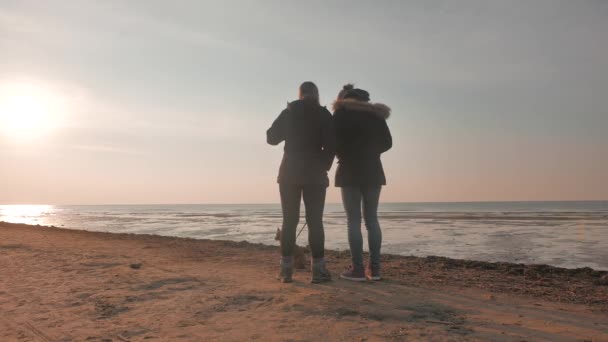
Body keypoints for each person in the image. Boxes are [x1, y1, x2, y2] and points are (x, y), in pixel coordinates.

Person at [267, 81, 335, 283]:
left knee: (289, 221)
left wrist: (287, 121)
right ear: (316, 94)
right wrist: (324, 165)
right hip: (315, 174)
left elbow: (271, 138)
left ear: (300, 95)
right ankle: (318, 270)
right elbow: (332, 145)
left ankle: (286, 271)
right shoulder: (324, 115)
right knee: (315, 222)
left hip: (289, 172)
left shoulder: (289, 112)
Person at [333, 84, 392, 281]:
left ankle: (357, 269)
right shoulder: (375, 115)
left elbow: (331, 140)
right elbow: (387, 142)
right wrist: (371, 152)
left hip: (349, 170)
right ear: (364, 100)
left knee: (354, 221)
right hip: (372, 170)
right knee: (372, 220)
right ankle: (374, 269)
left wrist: (344, 152)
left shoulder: (341, 115)